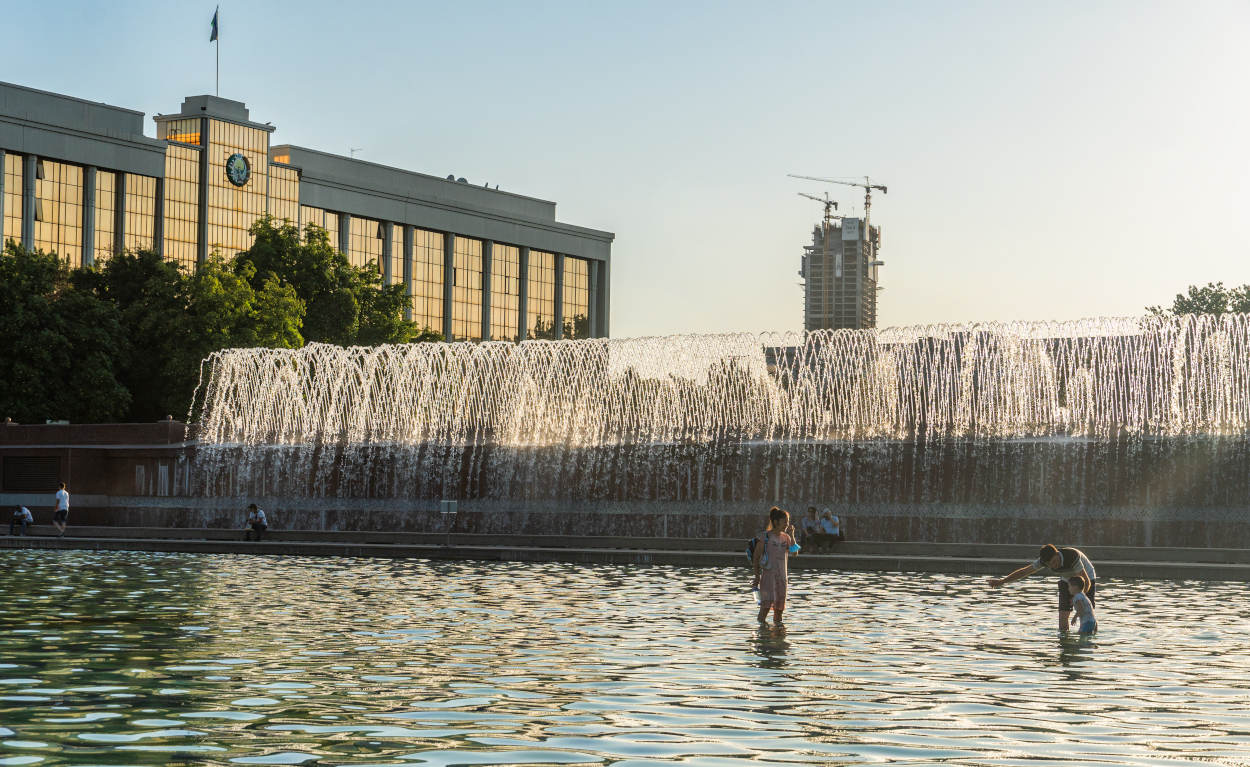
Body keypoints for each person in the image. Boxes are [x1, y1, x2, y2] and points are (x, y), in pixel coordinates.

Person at [988, 543, 1097, 631]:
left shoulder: (1071, 556)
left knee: (1087, 613)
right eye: (1050, 565)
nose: (1054, 566)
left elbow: (1086, 582)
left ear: (1057, 554)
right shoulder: (1043, 561)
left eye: (1055, 561)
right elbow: (1024, 572)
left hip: (1087, 576)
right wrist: (1002, 581)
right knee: (1063, 616)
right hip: (1066, 579)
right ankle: (1065, 645)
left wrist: (1078, 597)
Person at [751, 506, 797, 626]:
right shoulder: (765, 537)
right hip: (768, 579)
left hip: (782, 579)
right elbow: (756, 557)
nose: (787, 524)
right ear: (776, 522)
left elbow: (794, 553)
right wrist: (756, 576)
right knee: (765, 609)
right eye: (784, 521)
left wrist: (792, 535)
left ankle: (778, 635)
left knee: (779, 611)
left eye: (788, 521)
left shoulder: (786, 537)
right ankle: (762, 633)